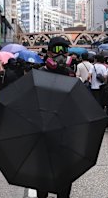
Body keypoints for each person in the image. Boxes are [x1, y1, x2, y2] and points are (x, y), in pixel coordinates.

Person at [37, 36, 74, 198]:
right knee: (42, 173)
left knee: (65, 175)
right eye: (58, 50)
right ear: (49, 53)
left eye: (64, 51)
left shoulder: (70, 75)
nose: (61, 55)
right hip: (43, 131)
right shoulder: (38, 74)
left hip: (65, 132)